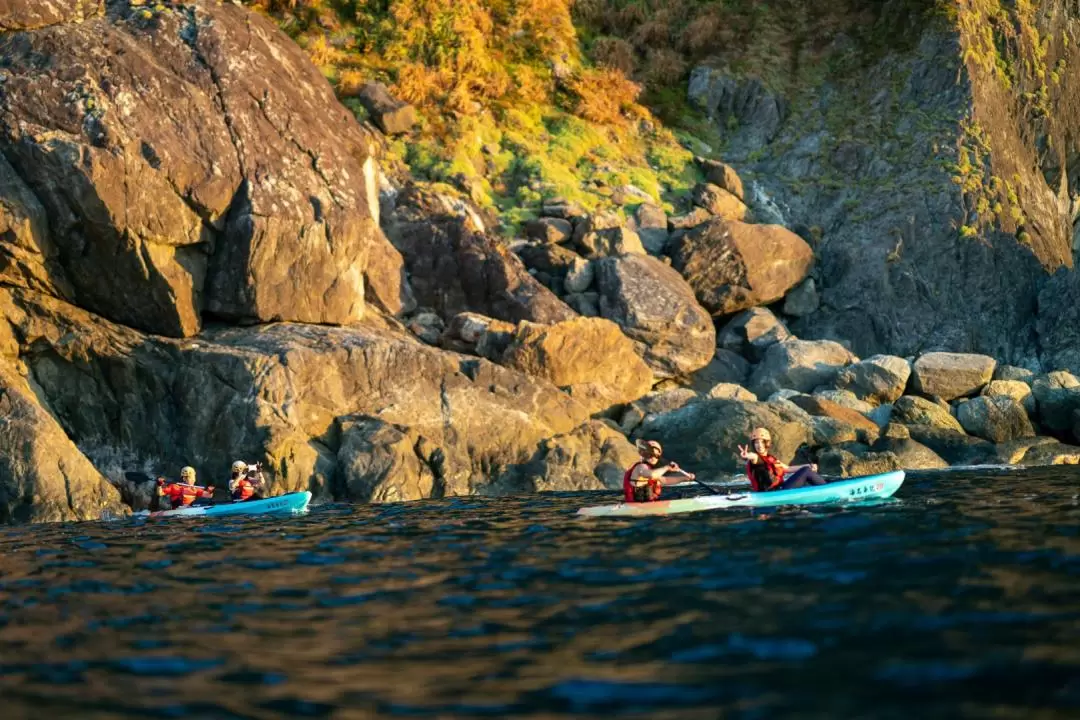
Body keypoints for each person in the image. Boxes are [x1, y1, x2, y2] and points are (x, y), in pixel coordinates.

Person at [738, 427, 827, 491]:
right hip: (772, 493)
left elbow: (788, 469)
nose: (759, 445)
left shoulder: (771, 458)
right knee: (806, 471)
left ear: (767, 443)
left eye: (762, 442)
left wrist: (808, 465)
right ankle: (826, 489)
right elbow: (752, 456)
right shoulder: (756, 459)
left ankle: (823, 486)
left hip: (780, 488)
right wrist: (746, 455)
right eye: (756, 442)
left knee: (807, 469)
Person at [622, 439, 693, 503]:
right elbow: (651, 475)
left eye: (656, 456)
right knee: (680, 496)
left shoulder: (650, 469)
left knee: (678, 494)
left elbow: (665, 480)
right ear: (643, 454)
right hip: (638, 507)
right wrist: (667, 467)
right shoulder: (640, 467)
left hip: (649, 504)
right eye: (650, 454)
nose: (653, 457)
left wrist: (685, 478)